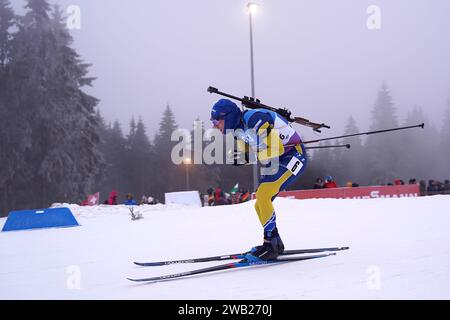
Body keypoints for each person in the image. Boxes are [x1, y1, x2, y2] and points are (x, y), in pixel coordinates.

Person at [211, 98, 307, 261]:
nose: (214, 125)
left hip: (294, 155)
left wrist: (247, 156)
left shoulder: (254, 119)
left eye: (216, 121)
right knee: (259, 202)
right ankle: (273, 241)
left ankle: (271, 245)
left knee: (263, 194)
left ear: (227, 117)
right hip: (279, 159)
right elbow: (251, 156)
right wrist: (241, 159)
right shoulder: (237, 131)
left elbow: (278, 148)